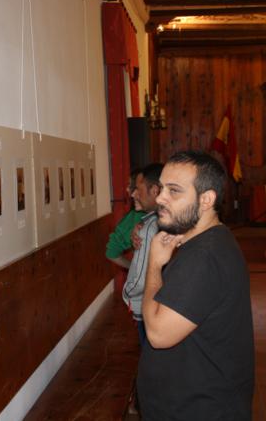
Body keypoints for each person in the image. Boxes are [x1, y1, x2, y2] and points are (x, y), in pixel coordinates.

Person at [137, 150, 255, 420]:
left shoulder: (205, 256)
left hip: (200, 409)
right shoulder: (209, 242)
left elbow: (158, 334)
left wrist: (154, 265)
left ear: (206, 200)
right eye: (161, 188)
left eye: (174, 191)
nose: (160, 198)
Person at [122, 163, 163, 345]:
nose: (133, 194)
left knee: (149, 350)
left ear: (154, 190)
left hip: (148, 307)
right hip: (156, 305)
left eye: (138, 189)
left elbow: (141, 279)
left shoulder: (149, 228)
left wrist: (127, 292)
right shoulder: (149, 222)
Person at [105, 168, 146, 269]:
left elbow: (111, 253)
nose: (128, 189)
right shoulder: (136, 216)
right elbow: (111, 252)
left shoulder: (137, 216)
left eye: (131, 186)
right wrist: (136, 270)